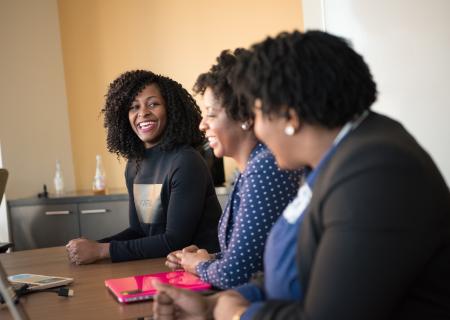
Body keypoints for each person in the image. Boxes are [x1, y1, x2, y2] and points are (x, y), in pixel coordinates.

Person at [152, 30, 450, 320]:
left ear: (290, 116)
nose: (255, 129)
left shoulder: (377, 171)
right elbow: (302, 269)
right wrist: (219, 303)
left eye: (256, 114)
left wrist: (238, 314)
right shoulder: (333, 159)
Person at [165, 49, 301, 289]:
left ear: (245, 116)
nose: (202, 124)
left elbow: (235, 275)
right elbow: (252, 259)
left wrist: (198, 266)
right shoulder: (250, 168)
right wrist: (205, 259)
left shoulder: (265, 167)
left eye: (211, 114)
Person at [65, 70, 221, 264]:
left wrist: (101, 250)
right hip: (157, 265)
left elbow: (175, 240)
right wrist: (92, 246)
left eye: (153, 104)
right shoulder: (134, 164)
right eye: (133, 107)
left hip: (201, 272)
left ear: (171, 109)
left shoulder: (186, 161)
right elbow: (138, 232)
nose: (142, 113)